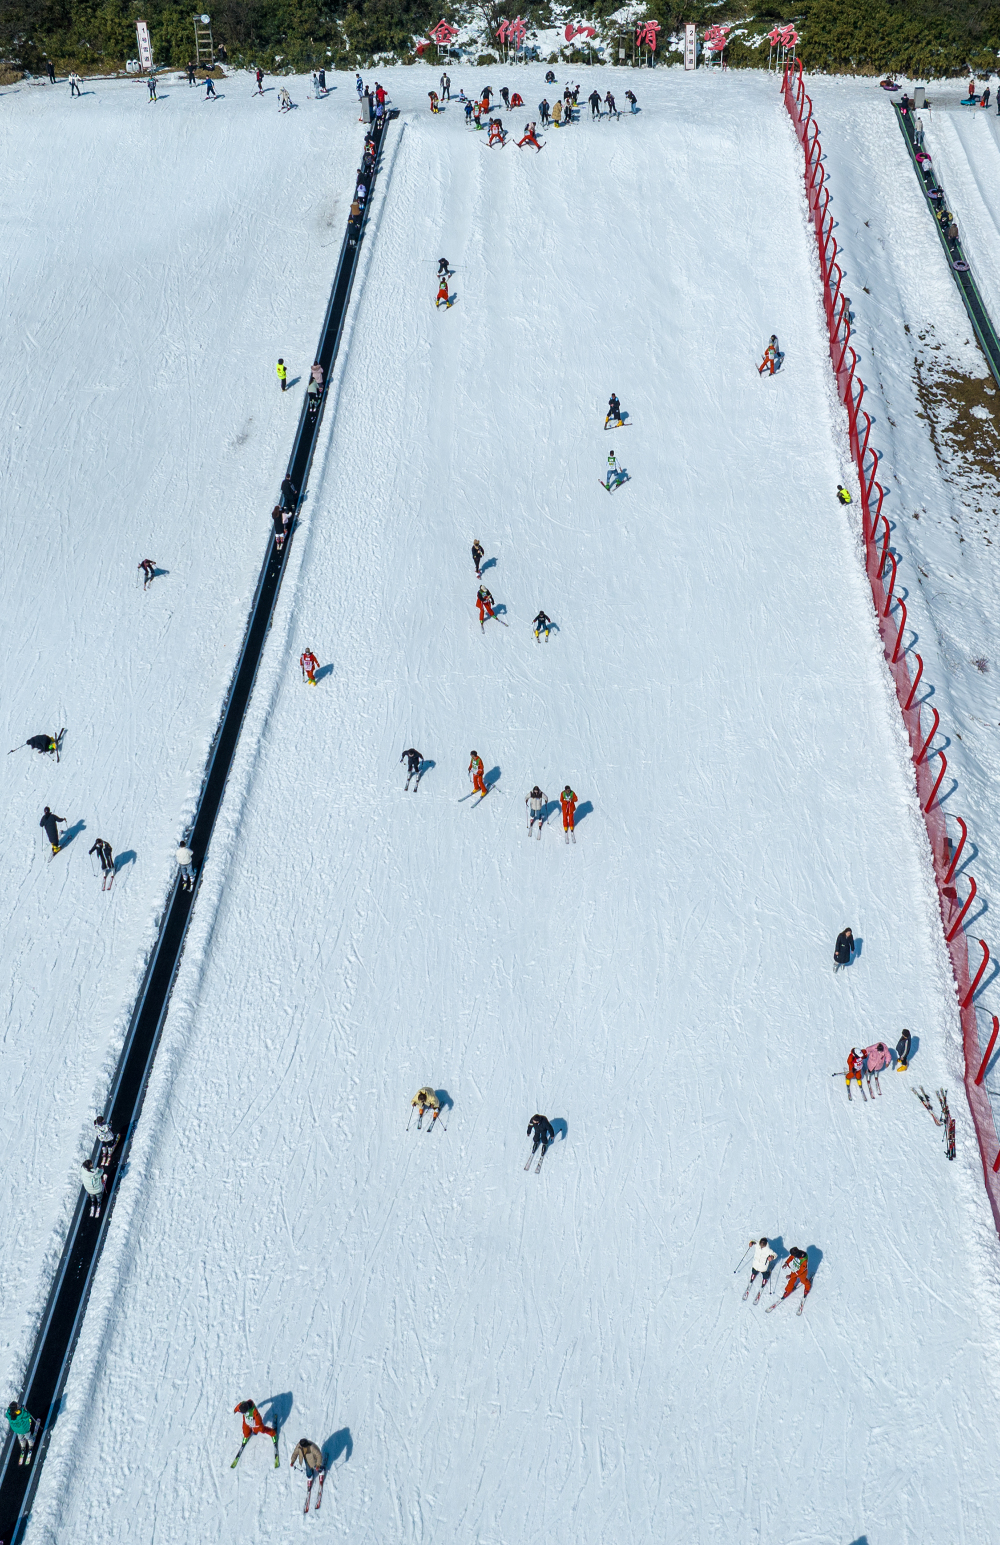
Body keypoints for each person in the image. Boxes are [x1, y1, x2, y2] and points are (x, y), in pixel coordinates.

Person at [290, 1438, 326, 1507]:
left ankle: (321, 1471)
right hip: (307, 1460)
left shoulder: (312, 1447)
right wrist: (292, 1461)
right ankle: (310, 1477)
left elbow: (319, 1456)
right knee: (308, 1470)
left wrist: (318, 1465)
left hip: (314, 1459)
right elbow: (295, 1453)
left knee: (316, 1467)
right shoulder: (299, 1446)